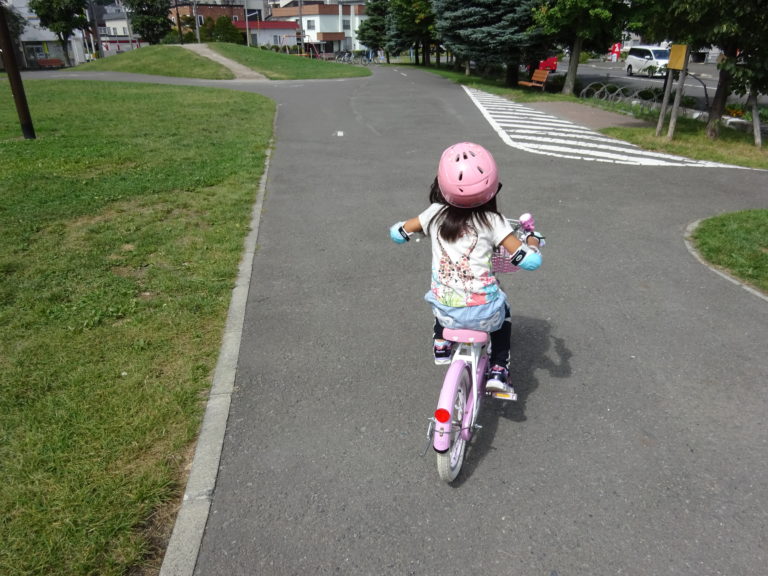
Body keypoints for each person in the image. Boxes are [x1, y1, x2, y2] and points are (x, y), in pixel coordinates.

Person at [389, 142, 543, 395]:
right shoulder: (494, 221)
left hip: (444, 310)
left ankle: (441, 342)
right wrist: (533, 245)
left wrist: (401, 231)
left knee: (446, 290)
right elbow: (528, 261)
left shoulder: (434, 213)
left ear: (440, 184)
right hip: (484, 311)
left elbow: (398, 233)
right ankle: (498, 369)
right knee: (503, 312)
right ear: (493, 188)